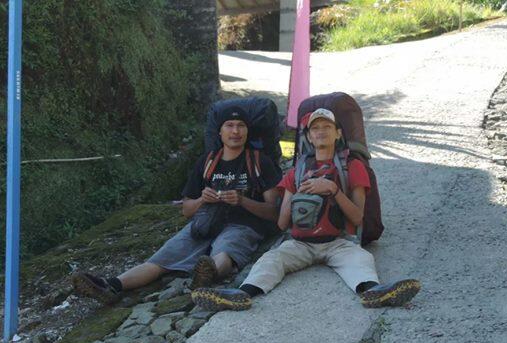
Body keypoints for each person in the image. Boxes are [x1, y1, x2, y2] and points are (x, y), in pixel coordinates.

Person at [191, 108, 420, 311]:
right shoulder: (297, 172)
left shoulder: (352, 167)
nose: (321, 132)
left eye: (327, 127)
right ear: (309, 136)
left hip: (339, 241)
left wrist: (333, 189)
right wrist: (297, 195)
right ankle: (242, 295)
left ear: (338, 133)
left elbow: (357, 217)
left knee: (361, 260)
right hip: (300, 243)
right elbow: (282, 224)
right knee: (271, 259)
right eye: (315, 128)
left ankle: (374, 292)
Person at [72, 106, 282, 304]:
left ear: (247, 131)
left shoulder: (259, 162)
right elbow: (186, 209)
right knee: (163, 258)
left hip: (242, 224)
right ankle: (111, 286)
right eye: (229, 125)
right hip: (205, 223)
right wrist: (202, 200)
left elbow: (274, 213)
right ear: (219, 132)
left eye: (241, 125)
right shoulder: (207, 162)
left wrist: (242, 200)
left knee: (225, 250)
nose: (235, 131)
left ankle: (206, 279)